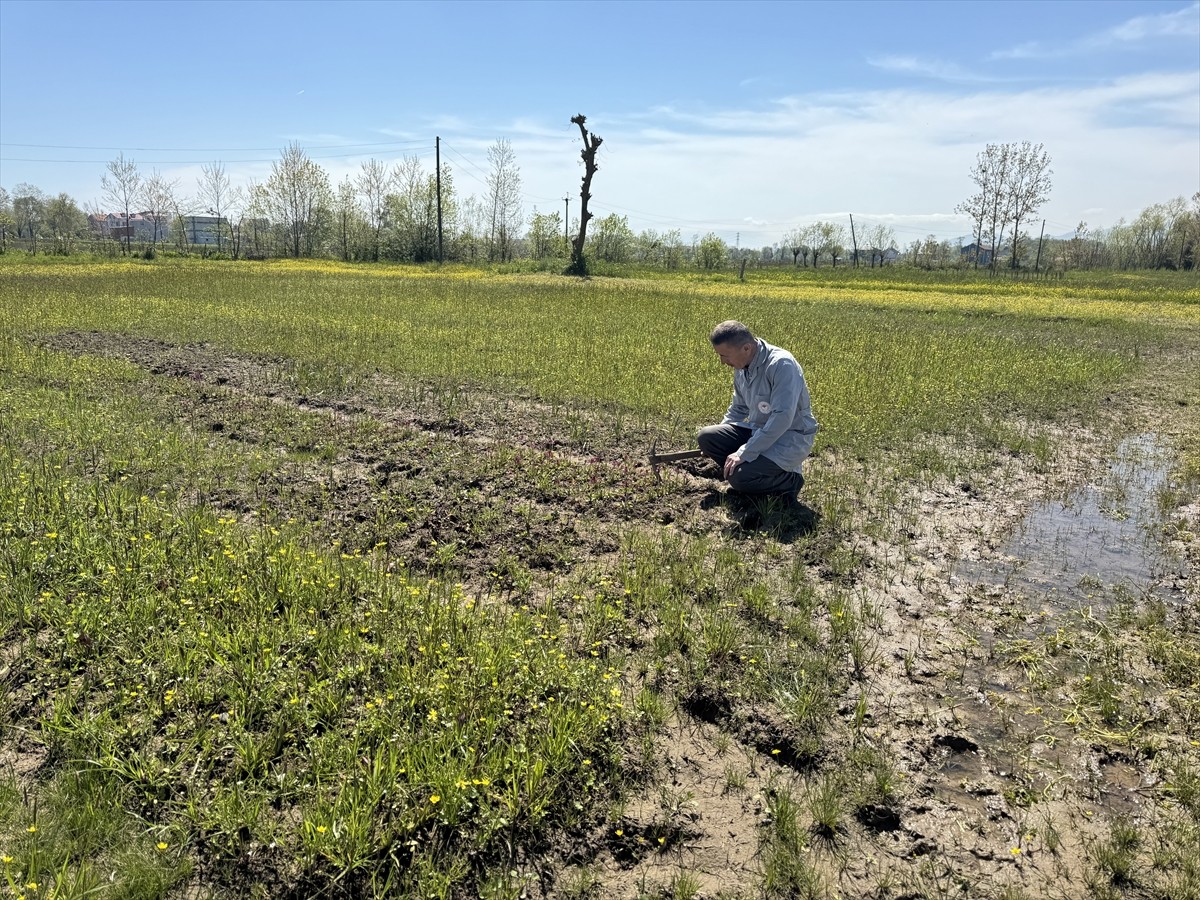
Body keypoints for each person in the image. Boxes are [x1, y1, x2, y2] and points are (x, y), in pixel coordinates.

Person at [698, 320, 818, 497]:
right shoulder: (742, 366)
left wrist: (744, 452)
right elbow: (738, 408)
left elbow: (782, 418)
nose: (723, 362)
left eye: (725, 356)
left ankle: (790, 480)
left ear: (746, 348)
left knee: (739, 479)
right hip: (759, 431)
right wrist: (721, 435)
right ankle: (750, 471)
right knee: (707, 437)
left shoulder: (781, 365)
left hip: (789, 438)